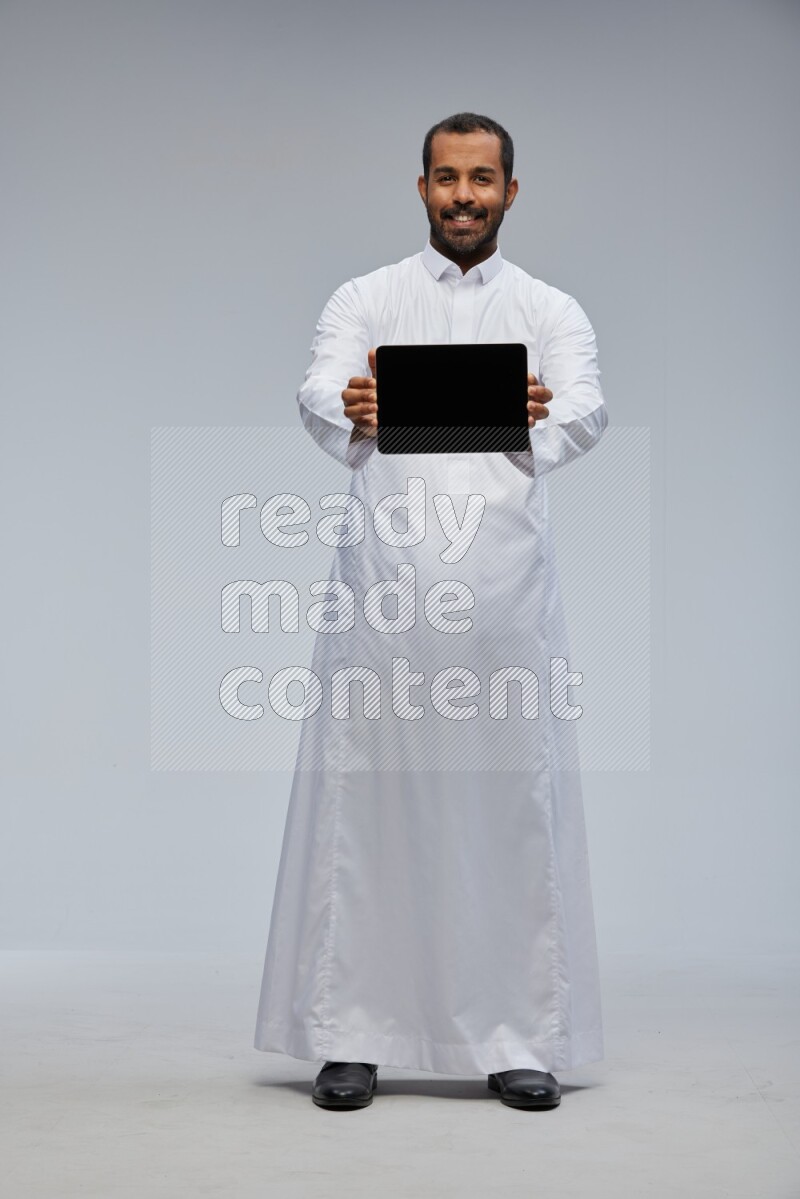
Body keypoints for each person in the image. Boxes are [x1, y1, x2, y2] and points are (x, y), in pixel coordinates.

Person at [254, 112, 608, 1111]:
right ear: (420, 188)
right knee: (366, 808)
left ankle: (514, 1034)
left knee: (504, 811)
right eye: (446, 178)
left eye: (481, 179)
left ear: (509, 191)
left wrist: (530, 411)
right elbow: (320, 384)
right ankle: (349, 1032)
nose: (463, 195)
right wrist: (352, 405)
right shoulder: (366, 297)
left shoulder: (547, 307)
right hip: (386, 591)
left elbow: (584, 405)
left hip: (502, 600)